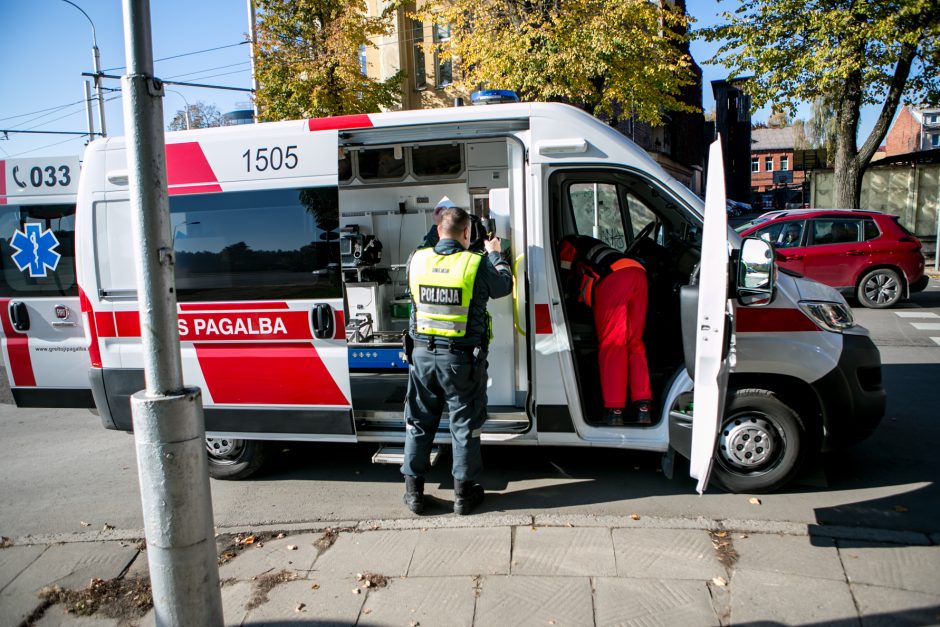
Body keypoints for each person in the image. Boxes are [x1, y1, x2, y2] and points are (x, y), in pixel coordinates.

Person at [402, 206, 513, 515]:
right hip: (460, 361)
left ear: (438, 231)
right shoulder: (476, 264)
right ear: (467, 234)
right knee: (463, 426)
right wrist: (495, 253)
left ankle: (413, 494)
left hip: (421, 357)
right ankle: (463, 496)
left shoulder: (417, 260)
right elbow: (504, 286)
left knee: (419, 422)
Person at [559, 234, 652, 426]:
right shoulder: (588, 241)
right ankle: (643, 407)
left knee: (613, 344)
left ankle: (614, 410)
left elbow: (562, 277)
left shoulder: (566, 243)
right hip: (638, 272)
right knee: (634, 343)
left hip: (614, 279)